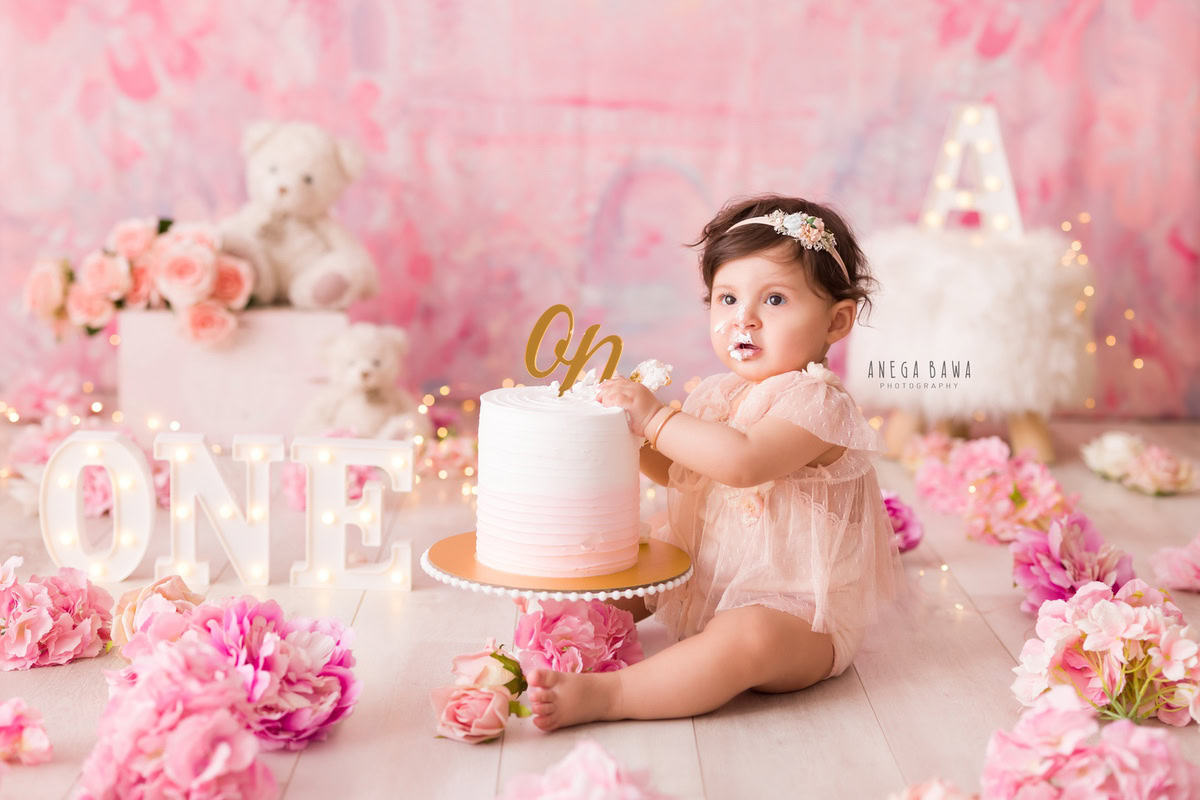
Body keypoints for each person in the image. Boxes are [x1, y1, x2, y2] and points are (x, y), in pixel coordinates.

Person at [526, 194, 901, 730]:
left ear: (836, 321)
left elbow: (744, 463)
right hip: (714, 577)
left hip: (797, 614)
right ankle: (572, 620)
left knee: (748, 638)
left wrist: (656, 420)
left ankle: (609, 696)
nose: (742, 318)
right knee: (648, 545)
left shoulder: (816, 401)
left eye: (774, 300)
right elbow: (684, 472)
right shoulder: (719, 394)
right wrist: (626, 437)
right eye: (726, 299)